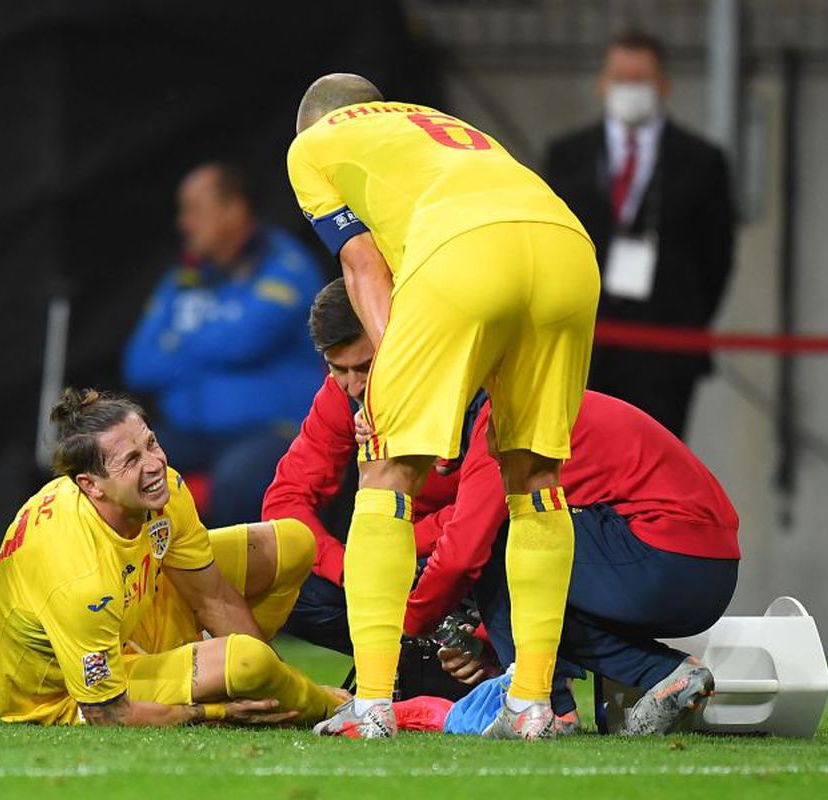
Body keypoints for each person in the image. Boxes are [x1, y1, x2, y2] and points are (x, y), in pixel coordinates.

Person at [286, 74, 599, 739]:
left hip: (467, 256)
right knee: (537, 479)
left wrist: (385, 377)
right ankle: (533, 706)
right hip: (568, 249)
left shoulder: (313, 145)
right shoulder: (437, 125)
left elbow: (363, 265)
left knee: (386, 470)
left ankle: (369, 707)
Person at [0, 388, 343, 727]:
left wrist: (272, 682)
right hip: (72, 692)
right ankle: (334, 706)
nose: (155, 465)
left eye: (151, 444)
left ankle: (261, 693)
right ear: (90, 485)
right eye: (132, 461)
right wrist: (212, 710)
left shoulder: (162, 490)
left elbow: (212, 595)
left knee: (292, 543)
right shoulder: (80, 578)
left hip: (131, 613)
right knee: (249, 662)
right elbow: (108, 714)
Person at [401, 389, 740, 736]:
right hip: (708, 573)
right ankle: (667, 675)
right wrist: (488, 640)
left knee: (514, 532)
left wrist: (411, 620)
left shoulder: (503, 417)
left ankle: (546, 707)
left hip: (661, 559)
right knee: (530, 536)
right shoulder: (529, 402)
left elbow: (464, 549)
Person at [544, 30, 735, 439]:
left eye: (640, 80)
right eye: (620, 78)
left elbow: (716, 256)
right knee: (584, 463)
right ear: (602, 84)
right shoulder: (566, 156)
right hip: (585, 343)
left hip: (666, 348)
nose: (629, 90)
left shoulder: (702, 161)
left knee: (657, 464)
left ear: (663, 85)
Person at [262, 278, 463, 655]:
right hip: (394, 560)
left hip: (463, 551)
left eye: (365, 367)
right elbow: (284, 502)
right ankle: (422, 664)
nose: (353, 385)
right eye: (338, 368)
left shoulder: (458, 384)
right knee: (285, 586)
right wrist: (348, 568)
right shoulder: (338, 397)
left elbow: (493, 501)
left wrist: (398, 550)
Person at [123, 162, 328, 526]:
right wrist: (214, 340)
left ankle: (237, 583)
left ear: (233, 210)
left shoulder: (287, 264)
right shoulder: (183, 278)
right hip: (192, 434)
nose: (183, 223)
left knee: (238, 481)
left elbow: (243, 342)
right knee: (119, 470)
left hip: (276, 431)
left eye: (194, 211)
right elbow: (139, 364)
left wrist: (179, 345)